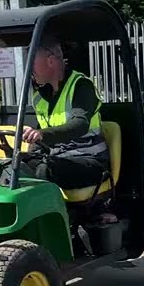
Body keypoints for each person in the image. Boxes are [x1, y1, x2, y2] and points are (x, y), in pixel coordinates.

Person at [12, 36, 110, 191]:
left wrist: (42, 134)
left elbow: (80, 124)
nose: (29, 69)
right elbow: (42, 135)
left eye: (32, 62)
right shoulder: (40, 97)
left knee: (45, 171)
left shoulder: (81, 86)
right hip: (58, 159)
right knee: (12, 166)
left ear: (50, 61)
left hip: (89, 160)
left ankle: (46, 214)